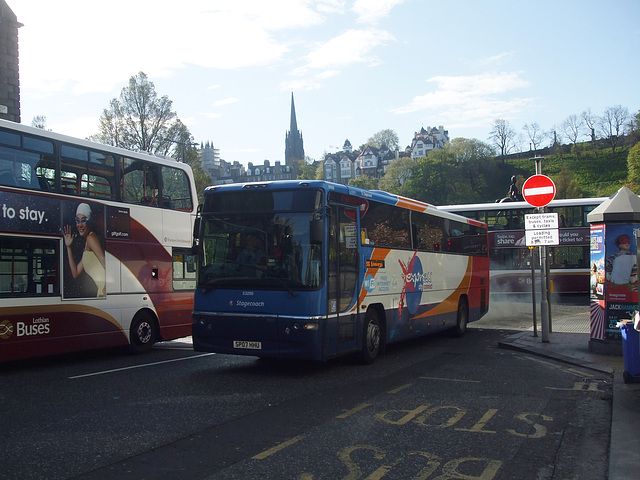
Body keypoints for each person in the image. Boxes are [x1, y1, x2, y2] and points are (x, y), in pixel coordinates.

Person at [64, 203, 106, 296]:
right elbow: (75, 273)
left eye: (83, 220)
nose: (80, 225)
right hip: (101, 289)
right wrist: (68, 247)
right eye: (77, 221)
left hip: (105, 288)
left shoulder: (91, 238)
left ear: (89, 221)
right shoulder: (87, 247)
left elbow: (103, 260)